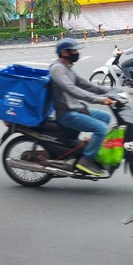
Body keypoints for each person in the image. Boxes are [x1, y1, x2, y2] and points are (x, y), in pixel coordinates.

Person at [49, 39, 115, 177]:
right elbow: (71, 89)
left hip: (76, 109)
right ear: (64, 52)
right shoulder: (57, 69)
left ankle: (91, 146)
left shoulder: (67, 67)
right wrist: (99, 100)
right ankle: (86, 160)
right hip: (66, 114)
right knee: (101, 129)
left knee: (105, 117)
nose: (76, 53)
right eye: (74, 50)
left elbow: (84, 84)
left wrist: (109, 90)